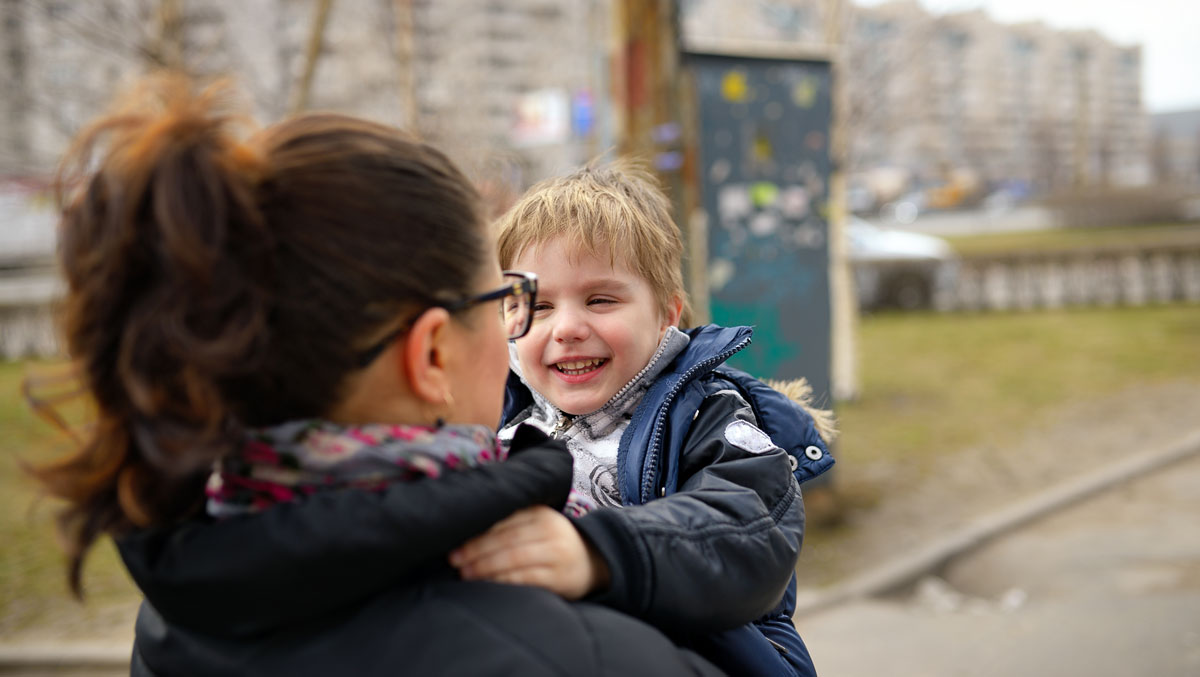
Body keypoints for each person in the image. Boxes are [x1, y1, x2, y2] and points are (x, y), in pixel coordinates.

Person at [28, 77, 721, 677]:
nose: (529, 325)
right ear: (430, 356)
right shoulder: (583, 656)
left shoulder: (174, 619)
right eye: (507, 299)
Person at [450, 163, 836, 676]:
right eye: (540, 306)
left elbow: (748, 530)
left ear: (667, 315)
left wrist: (597, 553)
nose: (567, 327)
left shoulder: (708, 418)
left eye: (600, 299)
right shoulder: (494, 419)